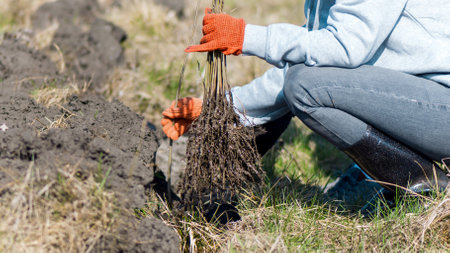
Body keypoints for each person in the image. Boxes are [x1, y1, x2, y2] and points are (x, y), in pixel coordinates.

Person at [161, 0, 449, 207]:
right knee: (305, 82)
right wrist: (226, 105)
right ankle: (383, 173)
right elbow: (314, 60)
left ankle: (422, 185)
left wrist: (247, 37)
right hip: (427, 103)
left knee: (306, 87)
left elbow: (341, 49)